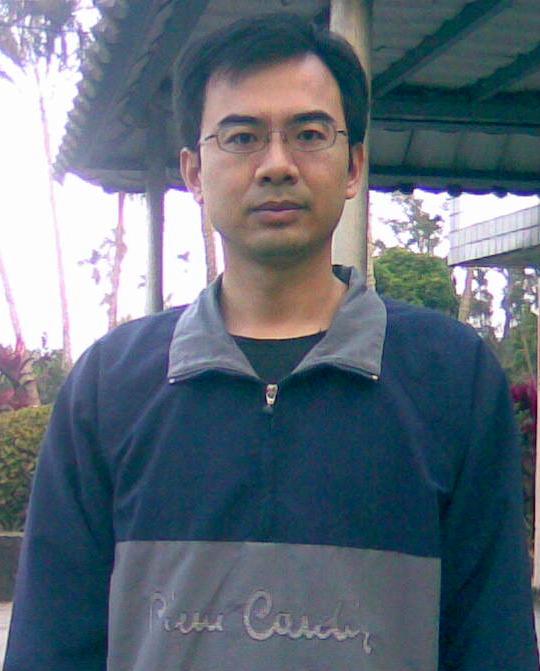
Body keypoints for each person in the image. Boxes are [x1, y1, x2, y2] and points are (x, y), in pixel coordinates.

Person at [5, 12, 539, 671]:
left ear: (353, 165)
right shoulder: (108, 388)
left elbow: (492, 641)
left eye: (309, 134)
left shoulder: (453, 379)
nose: (277, 165)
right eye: (242, 137)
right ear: (194, 172)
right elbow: (51, 645)